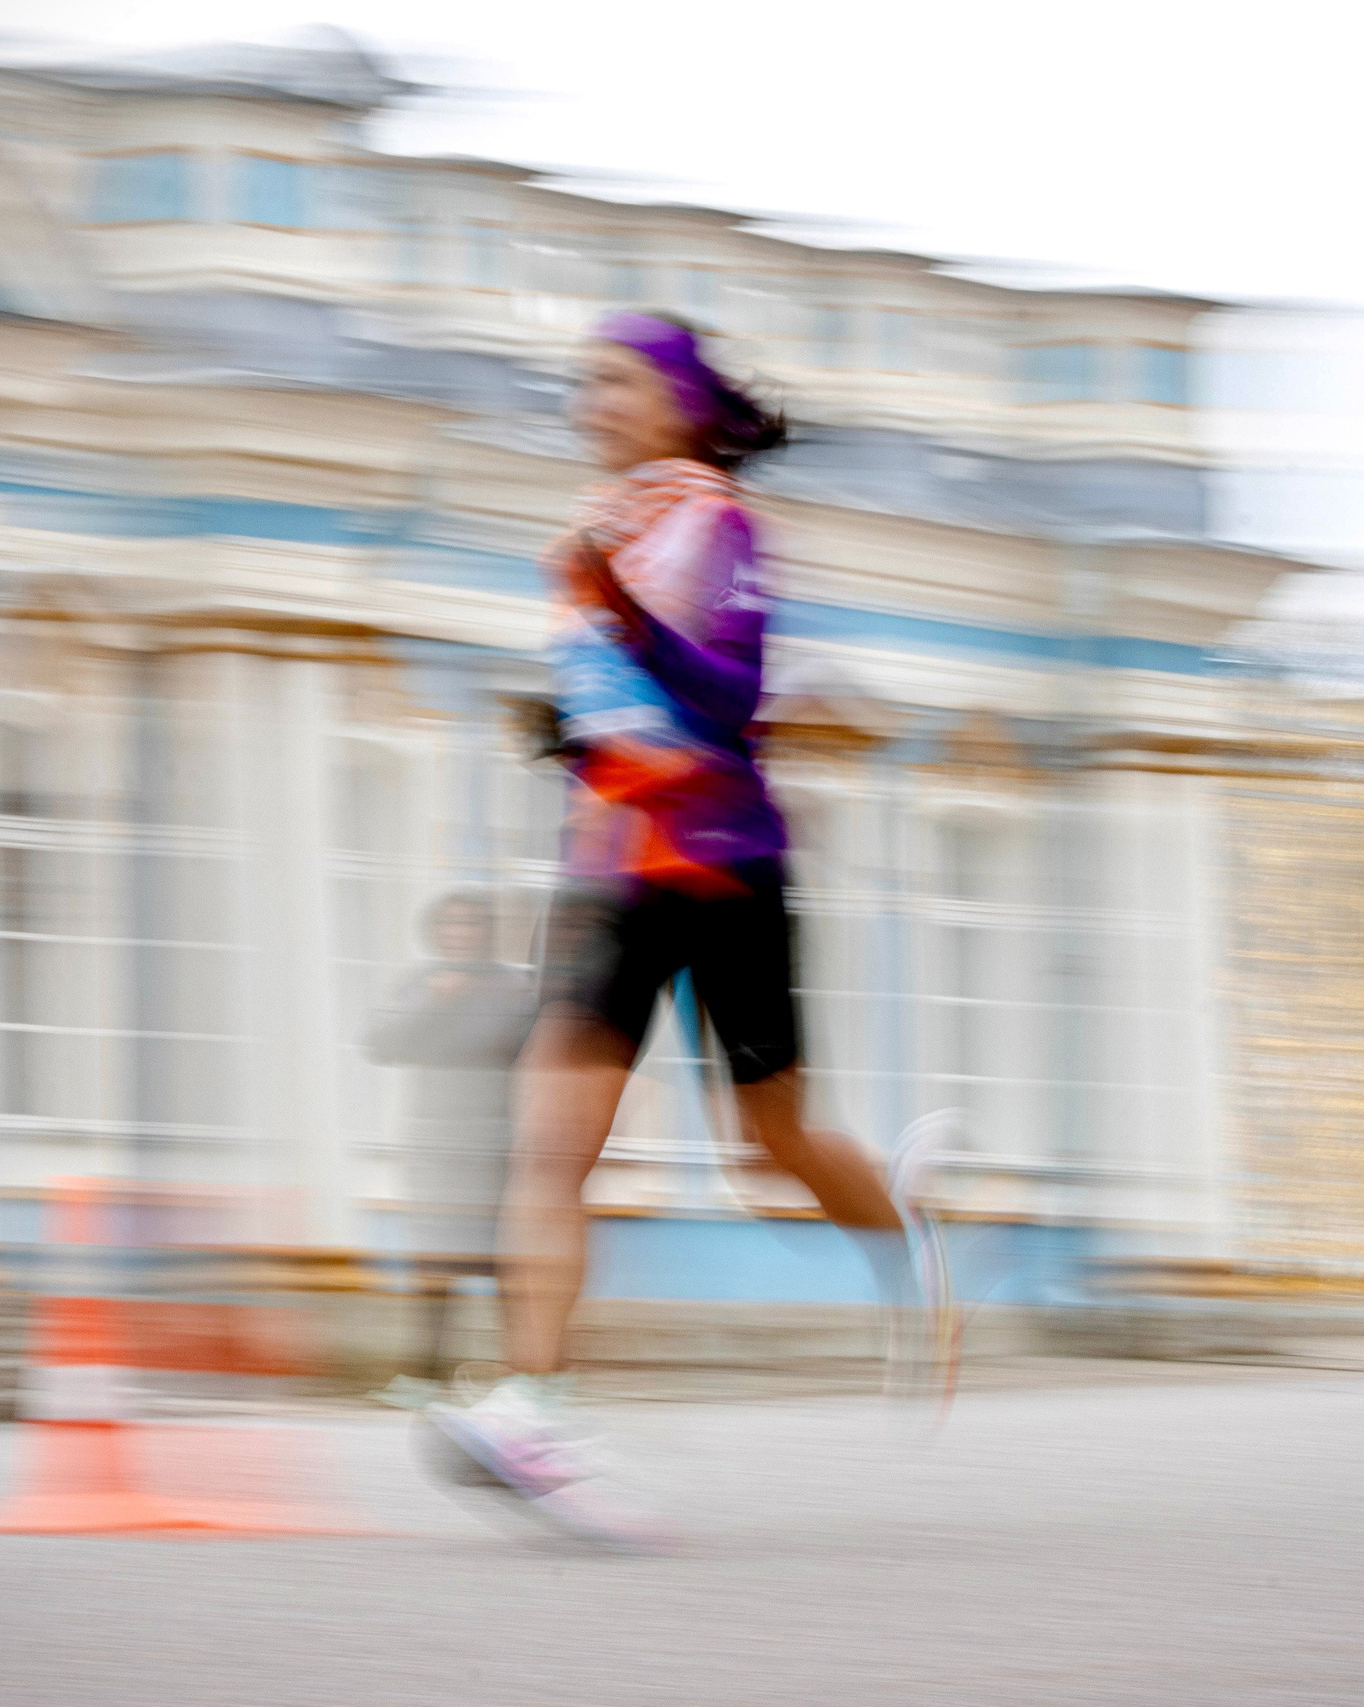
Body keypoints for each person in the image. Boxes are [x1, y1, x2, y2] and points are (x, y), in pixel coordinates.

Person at [424, 310, 948, 1528]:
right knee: (551, 1147)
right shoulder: (601, 535)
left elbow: (726, 696)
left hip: (724, 872)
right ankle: (531, 1408)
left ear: (682, 405)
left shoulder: (716, 522)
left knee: (769, 1146)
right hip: (613, 875)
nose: (589, 400)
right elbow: (620, 711)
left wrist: (609, 603)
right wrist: (565, 729)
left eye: (615, 381)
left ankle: (904, 1230)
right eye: (580, 383)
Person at [360, 888, 536, 1383]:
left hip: (496, 1145)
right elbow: (378, 1043)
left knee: (507, 1262)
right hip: (432, 1146)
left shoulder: (517, 989)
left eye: (472, 924)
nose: (460, 933)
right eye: (450, 924)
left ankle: (521, 1375)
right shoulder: (417, 984)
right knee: (434, 1263)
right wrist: (434, 1004)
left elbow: (529, 1051)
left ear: (490, 933)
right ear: (434, 932)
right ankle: (422, 1375)